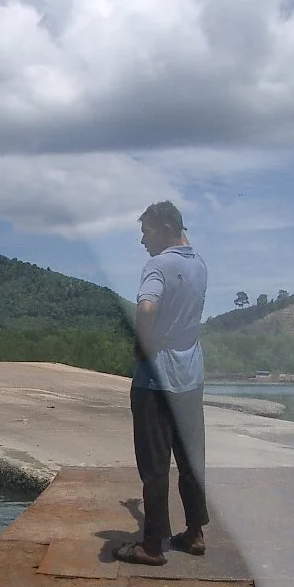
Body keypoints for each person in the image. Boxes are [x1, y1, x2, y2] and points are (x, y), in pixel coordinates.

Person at [115, 200, 209, 566]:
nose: (142, 241)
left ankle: (152, 545)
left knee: (154, 463)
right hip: (191, 377)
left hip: (156, 381)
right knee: (190, 457)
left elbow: (146, 307)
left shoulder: (158, 265)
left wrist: (143, 345)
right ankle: (195, 532)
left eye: (146, 232)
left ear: (166, 228)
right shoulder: (199, 265)